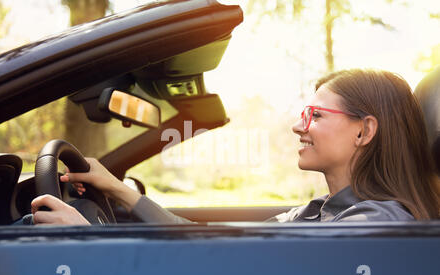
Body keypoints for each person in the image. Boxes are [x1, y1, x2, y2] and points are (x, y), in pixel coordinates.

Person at [31, 69, 440, 225]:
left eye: (315, 115)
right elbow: (220, 245)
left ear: (364, 132)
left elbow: (231, 269)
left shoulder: (374, 227)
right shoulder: (322, 211)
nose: (299, 126)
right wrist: (119, 188)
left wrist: (88, 243)